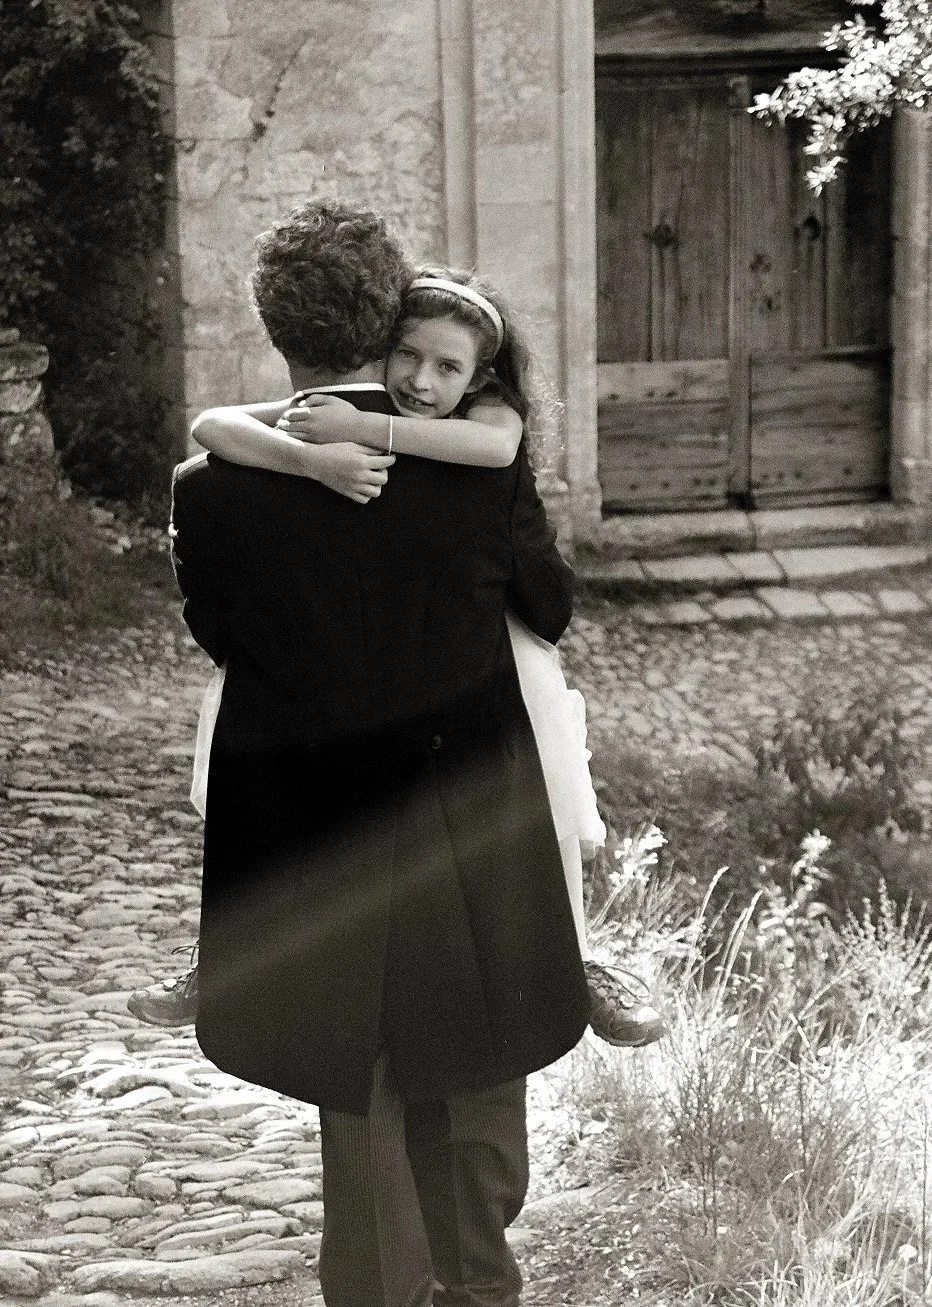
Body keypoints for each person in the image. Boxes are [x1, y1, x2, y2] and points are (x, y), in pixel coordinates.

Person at [166, 196, 591, 1307]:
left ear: (274, 326)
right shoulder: (476, 457)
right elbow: (547, 606)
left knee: (357, 1078)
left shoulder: (211, 485)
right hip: (462, 799)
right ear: (390, 310)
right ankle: (481, 1279)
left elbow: (218, 634)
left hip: (315, 816)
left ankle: (375, 1286)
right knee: (477, 1038)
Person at [130, 266, 666, 1049]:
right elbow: (213, 423)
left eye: (447, 367)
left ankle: (576, 954)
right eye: (406, 357)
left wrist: (365, 432)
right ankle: (224, 950)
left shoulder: (491, 430)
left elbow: (497, 453)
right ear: (380, 348)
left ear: (481, 374)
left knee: (543, 760)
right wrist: (314, 457)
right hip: (436, 703)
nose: (420, 380)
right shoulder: (340, 422)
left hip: (430, 693)